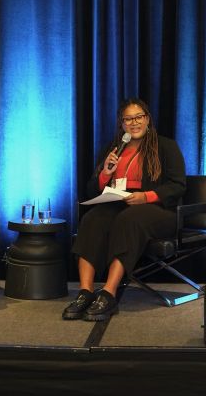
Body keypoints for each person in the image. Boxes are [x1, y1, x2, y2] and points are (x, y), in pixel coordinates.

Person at [65, 98, 186, 321]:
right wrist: (106, 173)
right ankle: (85, 292)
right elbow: (92, 189)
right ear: (122, 124)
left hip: (158, 209)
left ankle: (109, 293)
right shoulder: (113, 149)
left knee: (129, 219)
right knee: (93, 218)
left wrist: (146, 197)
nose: (134, 122)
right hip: (119, 203)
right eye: (128, 119)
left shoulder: (166, 146)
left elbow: (178, 185)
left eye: (138, 117)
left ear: (147, 119)